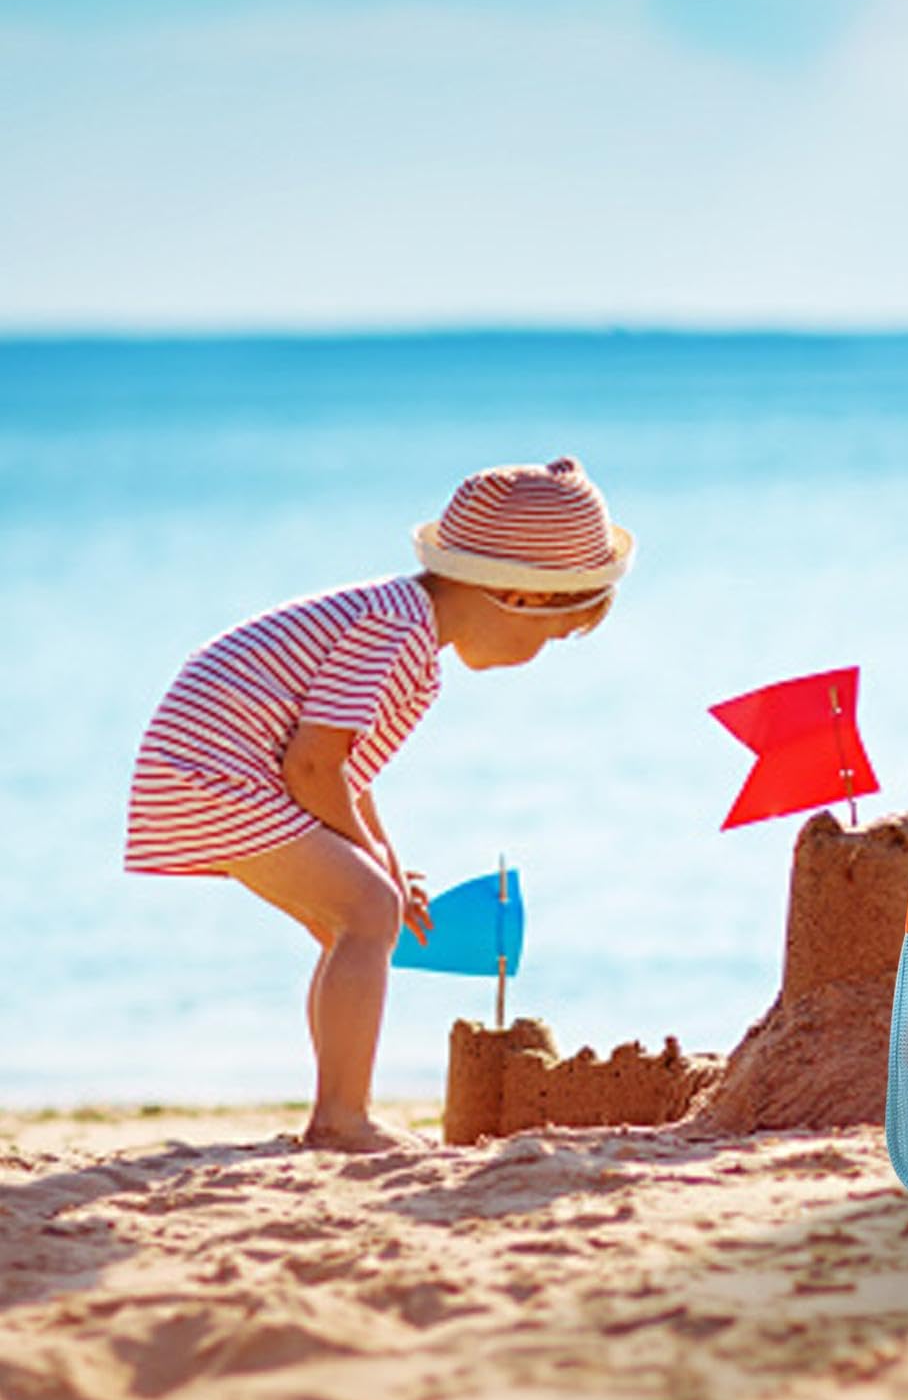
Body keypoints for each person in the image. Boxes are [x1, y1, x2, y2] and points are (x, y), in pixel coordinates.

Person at [122, 457, 633, 1151]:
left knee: (358, 915)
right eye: (547, 635)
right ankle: (341, 1118)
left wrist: (385, 859)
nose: (537, 653)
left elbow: (346, 771)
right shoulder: (395, 634)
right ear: (519, 595)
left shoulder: (402, 623)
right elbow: (310, 765)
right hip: (215, 773)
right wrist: (372, 871)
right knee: (366, 910)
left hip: (220, 768)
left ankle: (337, 1108)